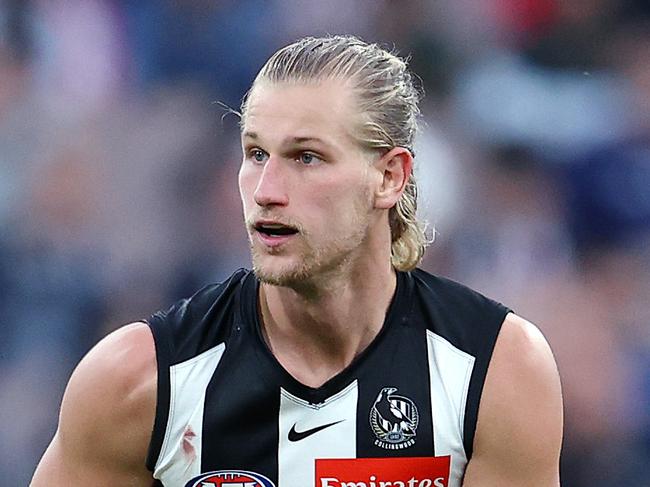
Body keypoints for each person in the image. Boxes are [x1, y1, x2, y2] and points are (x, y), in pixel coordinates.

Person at [31, 35, 563, 487]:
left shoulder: (495, 370)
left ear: (389, 177)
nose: (266, 191)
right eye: (256, 154)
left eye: (306, 157)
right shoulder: (137, 382)